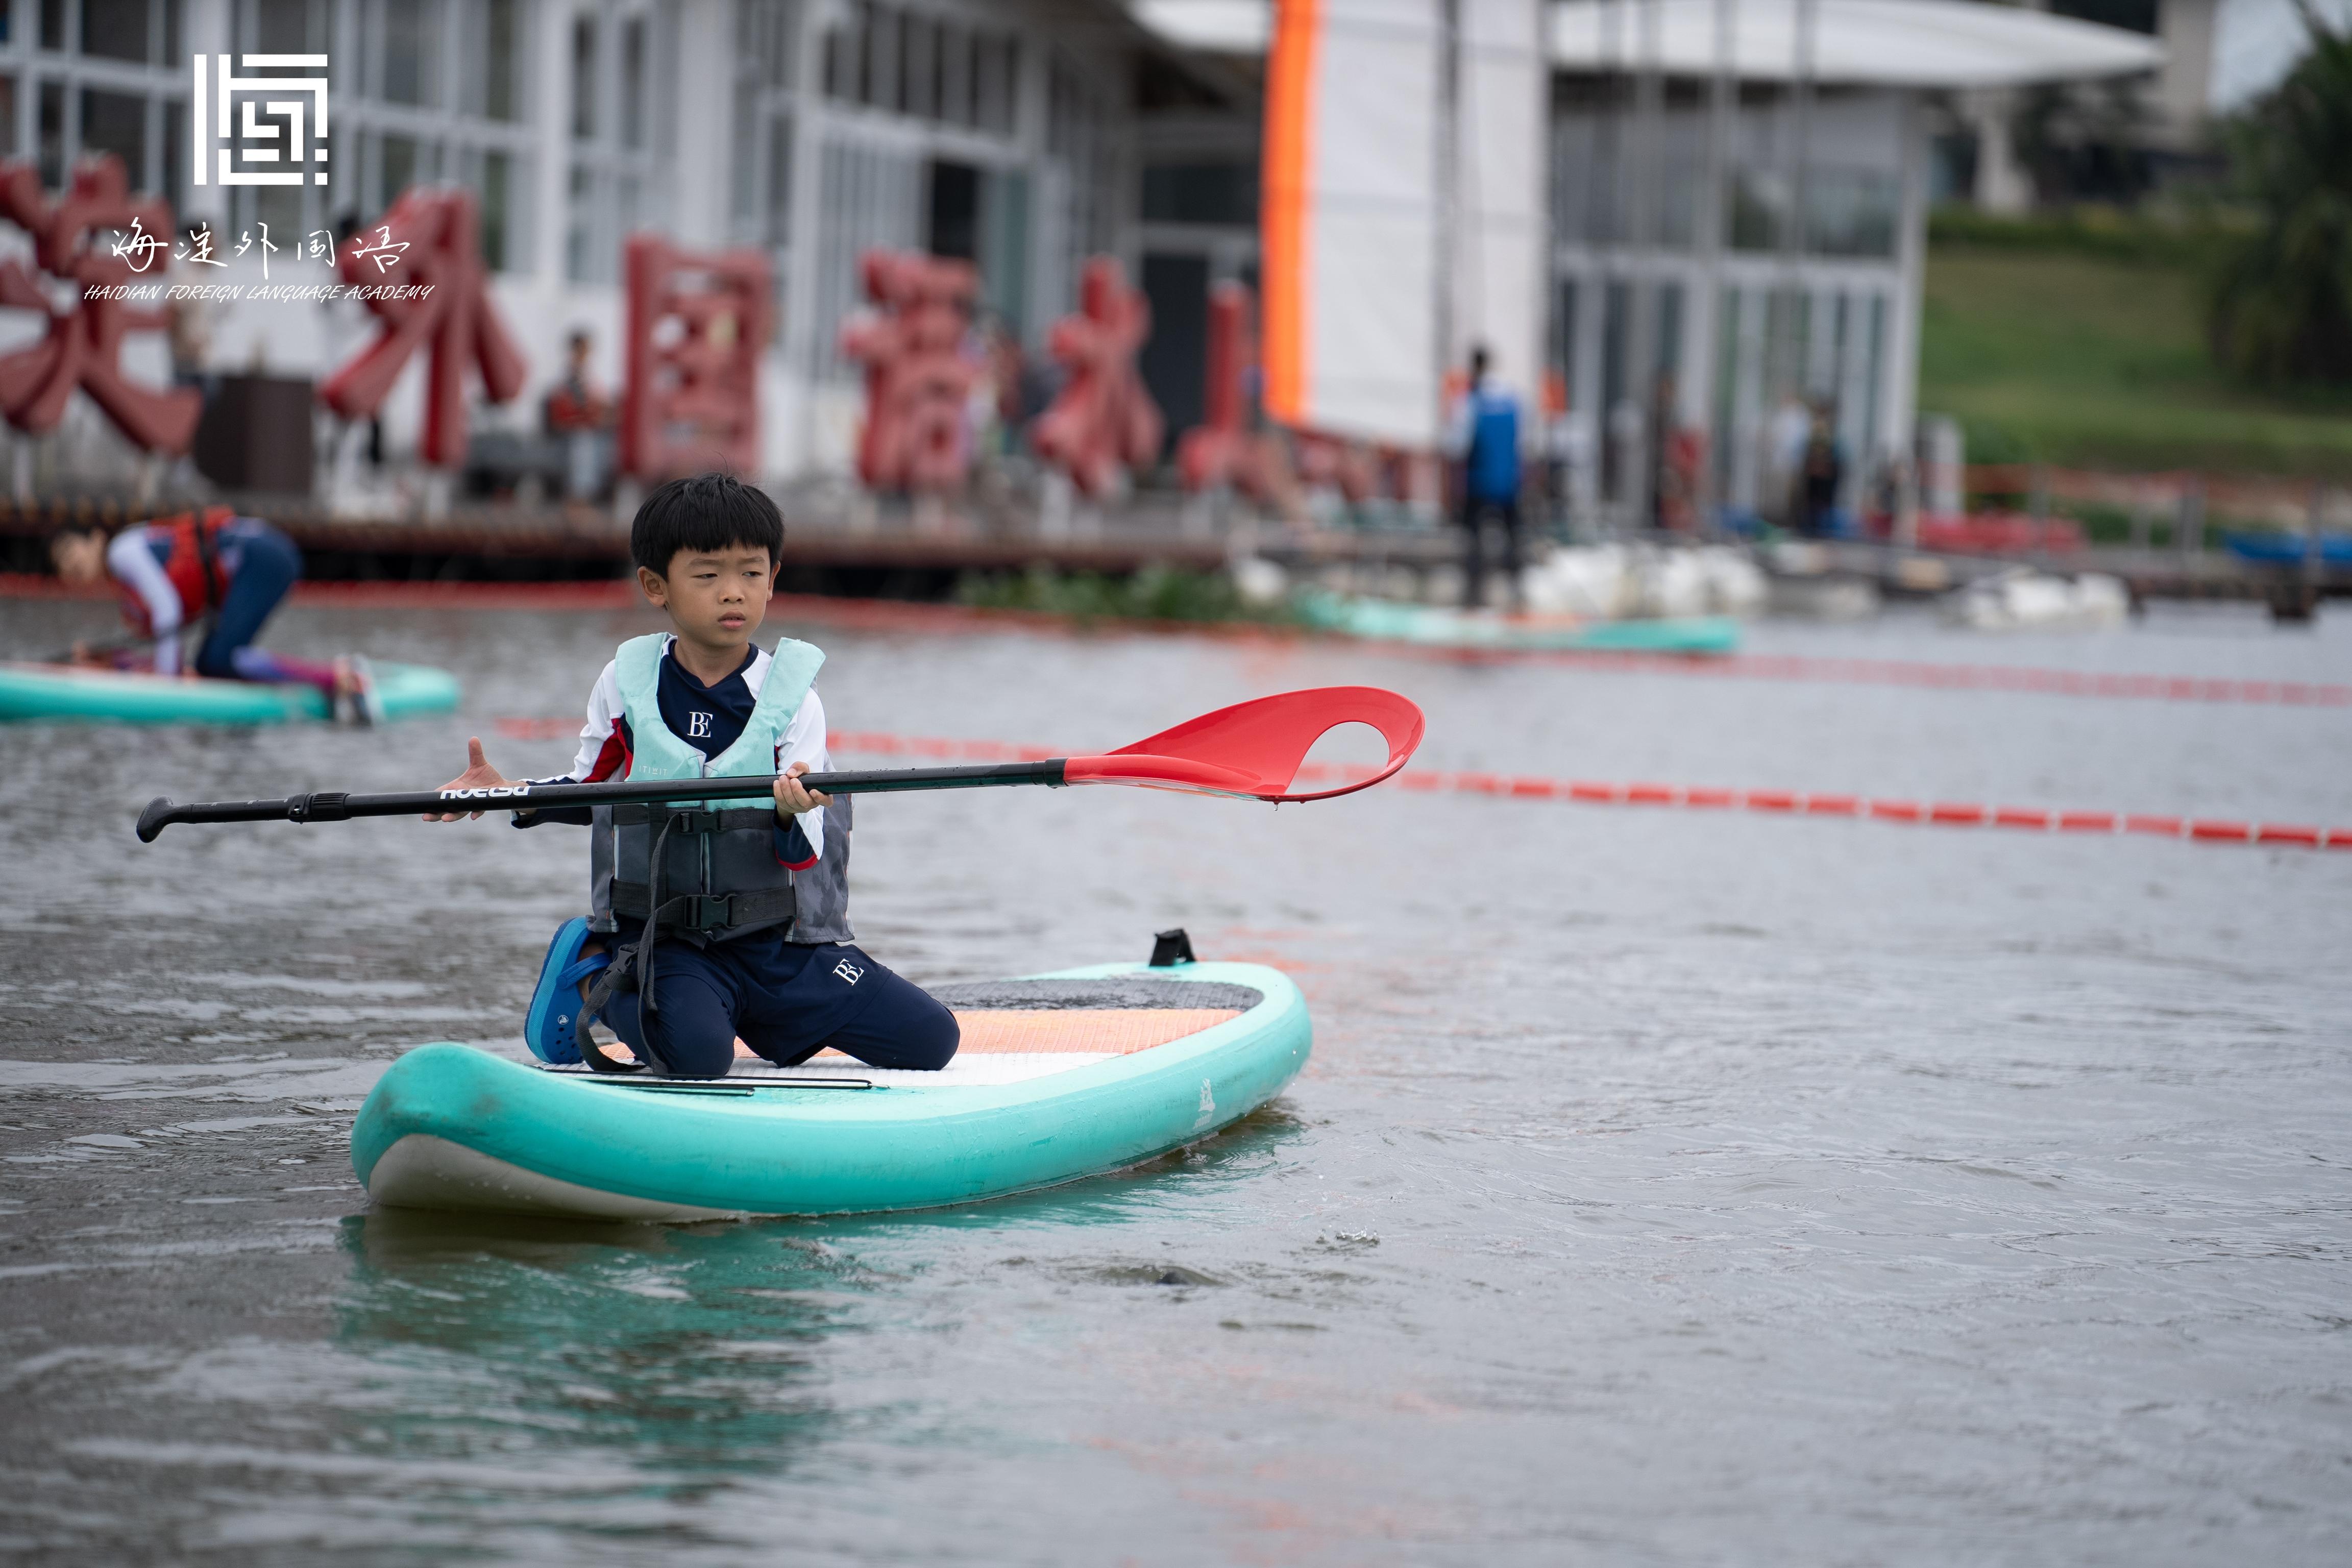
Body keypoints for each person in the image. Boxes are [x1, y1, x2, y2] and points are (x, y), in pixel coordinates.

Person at [429, 473, 961, 1081]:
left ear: (773, 579)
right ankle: (599, 972)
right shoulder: (625, 684)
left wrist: (791, 809)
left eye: (751, 574)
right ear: (657, 587)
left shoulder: (797, 700)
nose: (733, 593)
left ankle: (750, 1009)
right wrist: (506, 795)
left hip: (779, 947)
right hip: (668, 940)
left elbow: (809, 843)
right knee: (699, 1061)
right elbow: (593, 791)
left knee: (932, 1040)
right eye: (708, 576)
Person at [47, 509, 374, 717]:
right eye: (64, 568)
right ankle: (327, 677)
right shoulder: (126, 568)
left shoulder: (120, 553)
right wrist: (109, 659)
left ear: (95, 539)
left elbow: (168, 610)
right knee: (213, 661)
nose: (72, 568)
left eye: (72, 553)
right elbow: (165, 625)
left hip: (262, 557)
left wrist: (168, 687)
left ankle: (339, 676)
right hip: (263, 552)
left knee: (217, 660)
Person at [1444, 346, 1525, 608]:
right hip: (1510, 484)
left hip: (1479, 484)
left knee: (1474, 545)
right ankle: (1518, 597)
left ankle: (1473, 598)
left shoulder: (1470, 401)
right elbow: (1526, 443)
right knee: (1513, 542)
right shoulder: (1514, 399)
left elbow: (1456, 445)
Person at [543, 328, 612, 500]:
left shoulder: (583, 372)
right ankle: (579, 499)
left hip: (586, 427)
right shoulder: (574, 373)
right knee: (583, 448)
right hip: (576, 429)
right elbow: (581, 405)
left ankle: (585, 496)